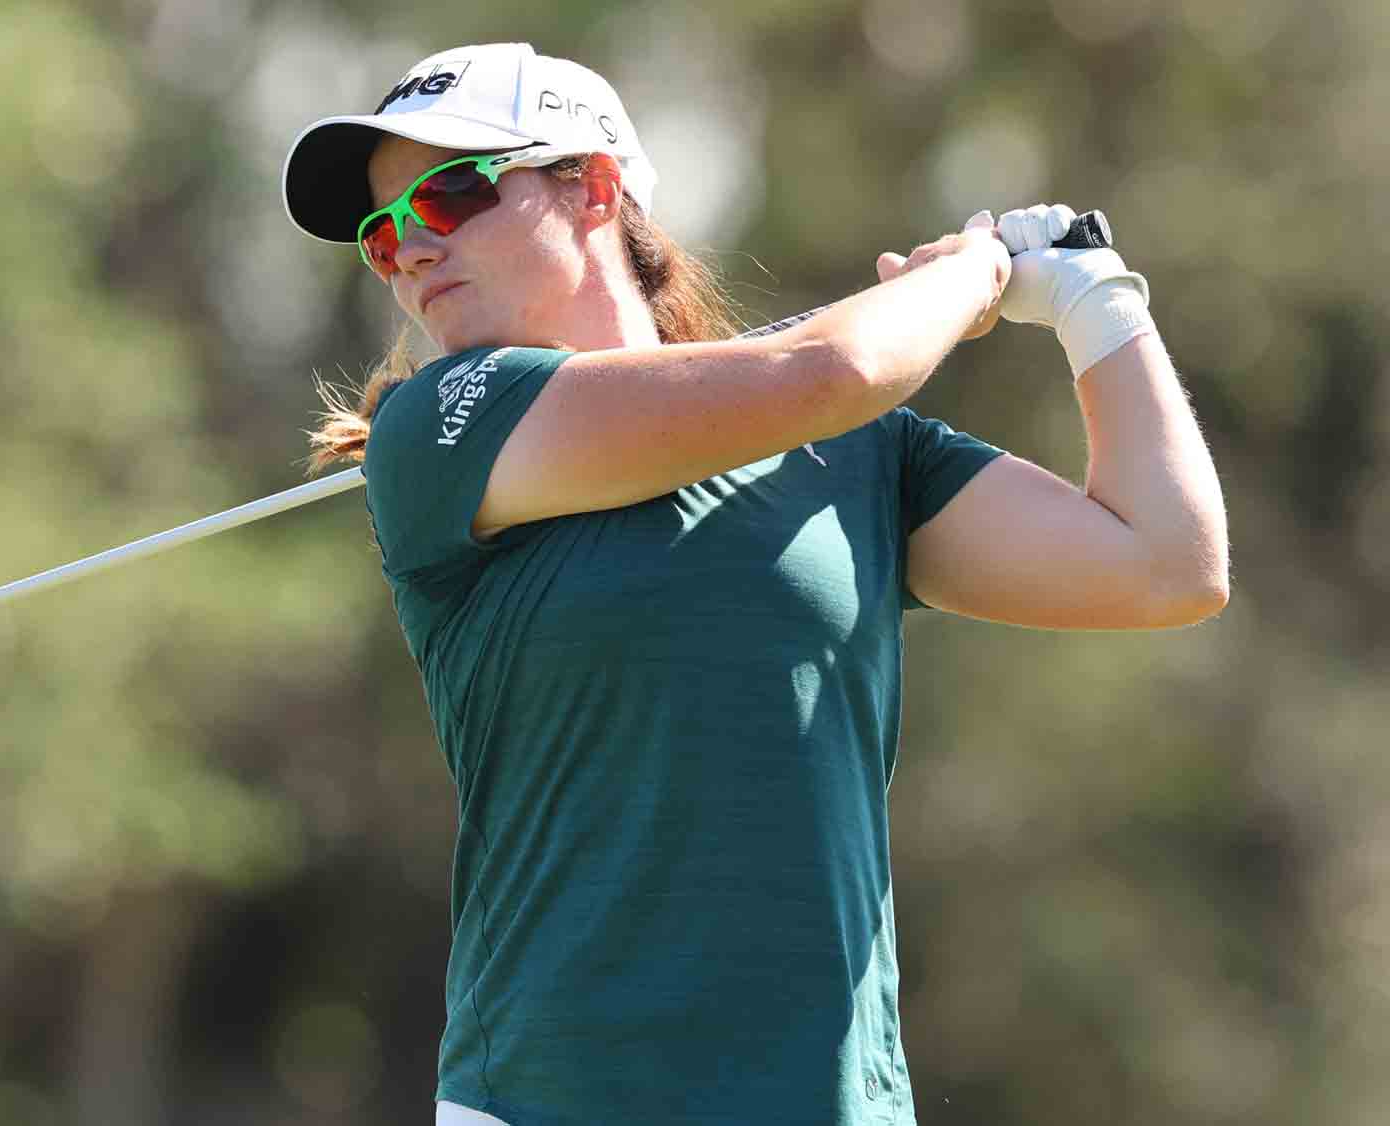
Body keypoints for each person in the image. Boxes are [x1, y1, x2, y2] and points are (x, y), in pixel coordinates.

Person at [280, 42, 1228, 1126]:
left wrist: (1091, 298)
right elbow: (830, 370)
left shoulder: (860, 456)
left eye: (445, 197)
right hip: (555, 1101)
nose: (408, 252)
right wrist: (974, 269)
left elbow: (1166, 563)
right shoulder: (440, 426)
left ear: (590, 186)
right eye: (381, 234)